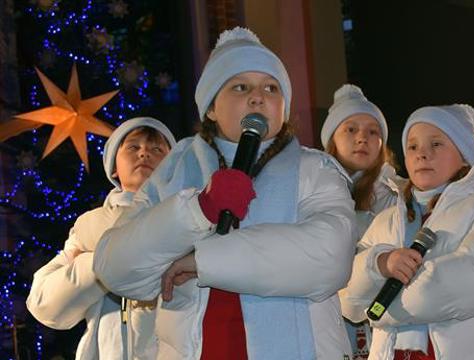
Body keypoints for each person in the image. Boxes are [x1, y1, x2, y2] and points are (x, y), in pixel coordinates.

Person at [93, 27, 355, 359]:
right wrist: (198, 209)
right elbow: (115, 268)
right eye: (240, 87)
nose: (258, 97)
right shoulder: (174, 172)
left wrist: (204, 261)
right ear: (211, 108)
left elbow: (330, 257)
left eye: (271, 88)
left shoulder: (315, 169)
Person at [340, 104, 474, 359]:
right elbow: (347, 296)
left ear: (465, 155)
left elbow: (469, 282)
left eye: (436, 144)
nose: (422, 154)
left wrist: (377, 308)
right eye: (413, 146)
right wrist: (380, 263)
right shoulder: (385, 221)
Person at [27, 117, 175, 359]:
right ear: (114, 166)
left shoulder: (188, 220)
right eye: (133, 147)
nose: (144, 154)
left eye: (157, 149)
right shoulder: (88, 227)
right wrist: (97, 263)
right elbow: (44, 304)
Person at [321, 83, 403, 359]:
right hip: (329, 327)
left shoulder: (400, 196)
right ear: (332, 139)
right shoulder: (311, 193)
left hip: (385, 330)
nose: (362, 138)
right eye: (351, 129)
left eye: (372, 132)